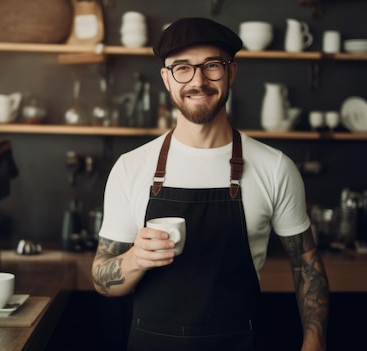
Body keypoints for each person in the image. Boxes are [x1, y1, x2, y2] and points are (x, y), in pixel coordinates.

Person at [91, 17, 329, 351]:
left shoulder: (274, 167)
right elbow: (103, 281)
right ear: (167, 79)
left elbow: (306, 263)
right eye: (182, 68)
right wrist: (135, 259)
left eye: (212, 66)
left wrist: (314, 342)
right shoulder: (131, 167)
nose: (198, 81)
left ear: (231, 72)